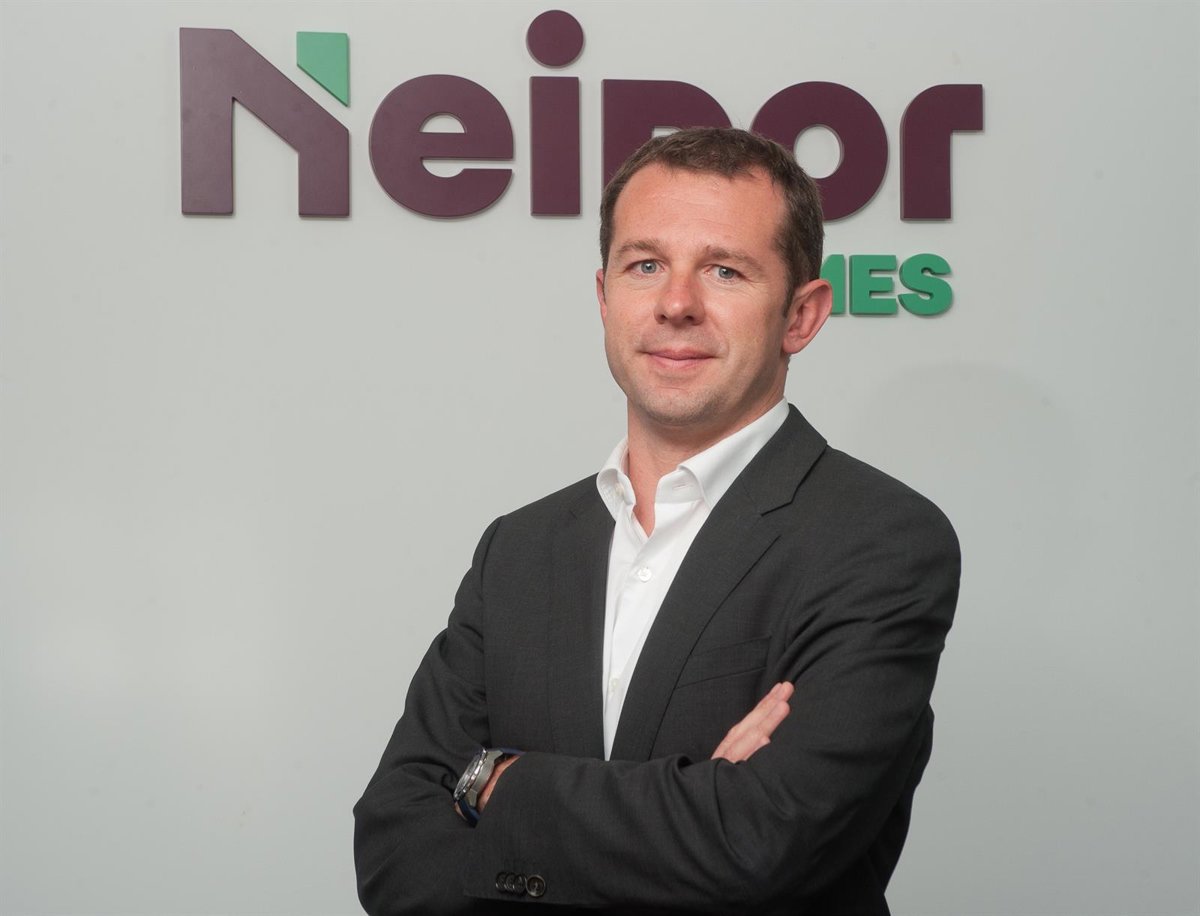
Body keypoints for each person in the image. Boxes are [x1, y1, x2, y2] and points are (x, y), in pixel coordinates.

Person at [353, 127, 960, 915]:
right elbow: (395, 856)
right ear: (605, 297)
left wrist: (498, 784)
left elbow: (758, 842)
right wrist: (696, 802)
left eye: (724, 270)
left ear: (801, 316)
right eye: (645, 266)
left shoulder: (880, 542)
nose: (676, 305)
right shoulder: (520, 551)